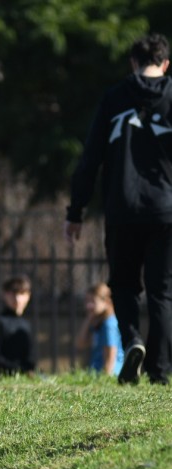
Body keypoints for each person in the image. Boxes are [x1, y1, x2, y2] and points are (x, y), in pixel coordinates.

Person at [66, 33, 172, 385]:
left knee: (124, 286)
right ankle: (159, 370)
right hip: (166, 210)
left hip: (122, 209)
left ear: (133, 62)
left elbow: (90, 159)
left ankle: (132, 341)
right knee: (162, 291)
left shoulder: (114, 98)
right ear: (166, 64)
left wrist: (75, 211)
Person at [0, 275, 36, 377]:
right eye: (13, 294)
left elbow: (29, 358)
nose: (17, 299)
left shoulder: (25, 324)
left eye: (21, 293)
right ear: (4, 295)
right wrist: (17, 369)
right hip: (1, 375)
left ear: (28, 296)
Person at [77, 283, 125, 376]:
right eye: (87, 301)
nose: (88, 305)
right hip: (96, 372)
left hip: (110, 374)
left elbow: (111, 355)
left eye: (93, 301)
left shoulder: (109, 324)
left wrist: (105, 379)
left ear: (106, 302)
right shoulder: (97, 322)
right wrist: (88, 319)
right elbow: (80, 344)